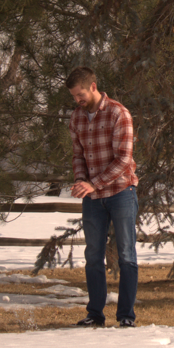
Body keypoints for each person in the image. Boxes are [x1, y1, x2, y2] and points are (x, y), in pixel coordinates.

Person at [67, 66, 139, 327]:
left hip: (121, 192)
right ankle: (95, 314)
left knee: (126, 254)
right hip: (93, 198)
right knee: (93, 255)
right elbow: (78, 156)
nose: (78, 100)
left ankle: (126, 317)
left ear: (93, 86)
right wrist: (79, 181)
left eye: (80, 94)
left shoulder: (119, 113)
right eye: (74, 97)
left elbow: (123, 160)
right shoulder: (76, 118)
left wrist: (93, 184)